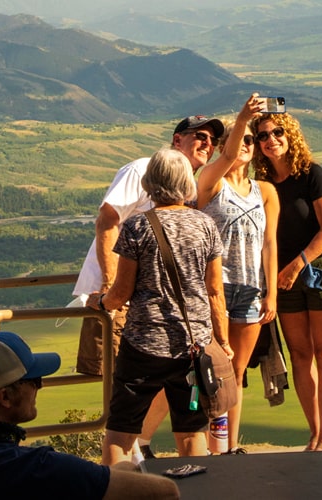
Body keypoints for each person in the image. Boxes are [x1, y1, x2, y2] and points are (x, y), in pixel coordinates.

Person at [73, 114, 224, 458]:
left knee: (120, 431)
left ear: (151, 182)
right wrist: (222, 340)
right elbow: (214, 289)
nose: (207, 144)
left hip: (143, 345)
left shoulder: (138, 227)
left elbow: (122, 292)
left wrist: (102, 302)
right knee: (189, 431)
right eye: (199, 136)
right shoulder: (205, 225)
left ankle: (118, 489)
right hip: (191, 345)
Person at [0, 331, 179, 500]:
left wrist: (114, 472)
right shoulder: (36, 469)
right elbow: (166, 492)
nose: (40, 386)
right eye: (34, 381)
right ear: (5, 397)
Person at [251, 112, 322, 451]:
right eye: (263, 135)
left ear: (290, 135)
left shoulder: (312, 175)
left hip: (320, 270)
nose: (270, 139)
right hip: (282, 276)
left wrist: (296, 265)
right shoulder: (262, 185)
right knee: (300, 354)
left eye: (277, 132)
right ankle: (314, 432)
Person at [198, 95, 279, 454]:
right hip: (213, 287)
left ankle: (230, 447)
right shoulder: (211, 182)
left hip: (249, 287)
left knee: (237, 373)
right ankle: (204, 446)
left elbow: (269, 244)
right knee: (209, 372)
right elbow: (227, 157)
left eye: (250, 140)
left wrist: (271, 292)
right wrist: (244, 119)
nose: (246, 145)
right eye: (241, 138)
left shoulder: (265, 191)